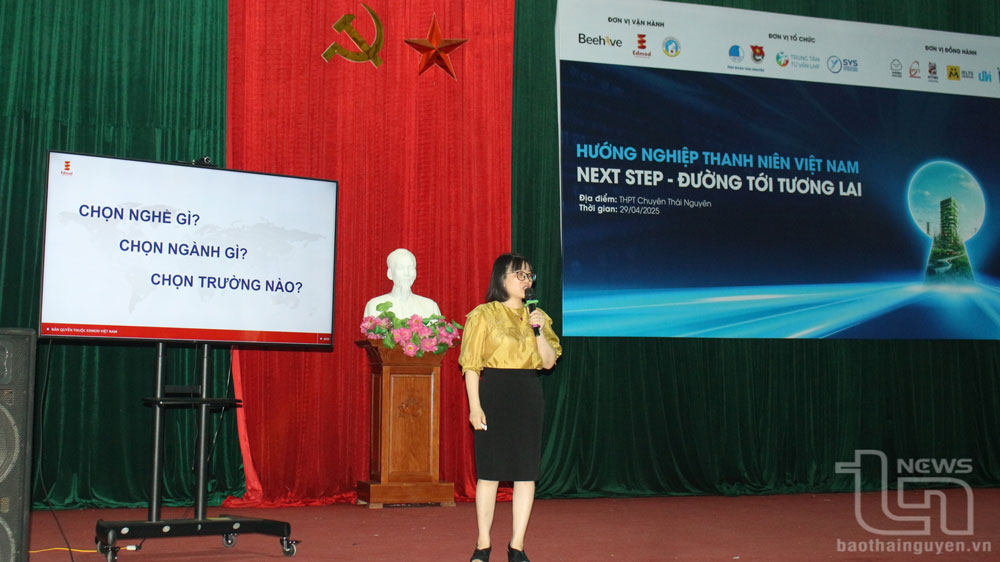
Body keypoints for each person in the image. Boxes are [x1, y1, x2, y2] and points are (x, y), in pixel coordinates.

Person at [459, 253, 562, 562]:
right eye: (519, 274)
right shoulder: (483, 314)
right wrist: (475, 407)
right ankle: (483, 544)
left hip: (528, 393)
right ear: (501, 279)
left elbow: (548, 363)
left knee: (525, 474)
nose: (526, 280)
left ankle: (517, 546)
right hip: (494, 392)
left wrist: (538, 329)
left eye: (529, 275)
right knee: (489, 473)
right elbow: (471, 365)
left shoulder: (539, 316)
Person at [362, 248, 441, 319]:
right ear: (390, 273)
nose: (406, 273)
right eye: (400, 268)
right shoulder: (374, 306)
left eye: (411, 268)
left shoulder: (430, 306)